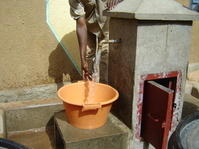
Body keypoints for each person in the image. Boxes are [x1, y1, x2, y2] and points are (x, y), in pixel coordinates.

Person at [69, 0, 122, 83]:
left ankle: (105, 88)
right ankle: (89, 88)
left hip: (108, 24)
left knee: (106, 55)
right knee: (87, 55)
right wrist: (83, 60)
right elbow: (81, 25)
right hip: (89, 25)